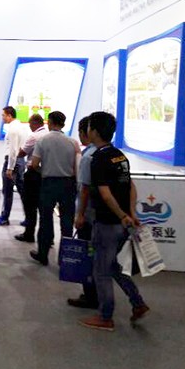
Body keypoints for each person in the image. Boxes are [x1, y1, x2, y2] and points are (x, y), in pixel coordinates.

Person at [79, 111, 148, 332]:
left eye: (89, 127)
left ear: (94, 131)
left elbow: (105, 194)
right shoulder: (120, 156)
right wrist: (131, 213)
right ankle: (137, 302)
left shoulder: (98, 159)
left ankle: (105, 316)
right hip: (123, 223)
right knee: (112, 266)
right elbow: (131, 186)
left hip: (107, 222)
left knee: (101, 270)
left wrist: (122, 215)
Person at [28, 110, 80, 266]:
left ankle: (43, 254)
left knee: (45, 219)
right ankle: (65, 258)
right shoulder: (73, 142)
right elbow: (77, 166)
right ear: (63, 124)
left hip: (48, 183)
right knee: (67, 221)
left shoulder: (43, 140)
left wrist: (44, 171)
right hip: (68, 184)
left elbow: (34, 164)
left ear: (49, 122)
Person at [70, 116, 99, 309]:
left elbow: (84, 188)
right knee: (99, 257)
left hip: (89, 216)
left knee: (88, 256)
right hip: (101, 216)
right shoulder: (110, 153)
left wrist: (79, 214)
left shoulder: (88, 156)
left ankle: (91, 296)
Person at [0, 106, 29, 226]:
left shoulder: (13, 130)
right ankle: (29, 217)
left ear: (9, 115)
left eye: (3, 115)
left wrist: (9, 168)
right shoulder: (22, 127)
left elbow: (13, 150)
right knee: (22, 190)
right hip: (20, 161)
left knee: (7, 191)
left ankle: (4, 217)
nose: (2, 118)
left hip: (12, 162)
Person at [14, 113, 47, 243]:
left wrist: (15, 149)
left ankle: (29, 234)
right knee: (44, 208)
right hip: (46, 175)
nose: (30, 127)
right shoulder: (48, 135)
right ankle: (46, 237)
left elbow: (22, 153)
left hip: (33, 174)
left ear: (34, 123)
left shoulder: (34, 136)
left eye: (30, 124)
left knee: (30, 206)